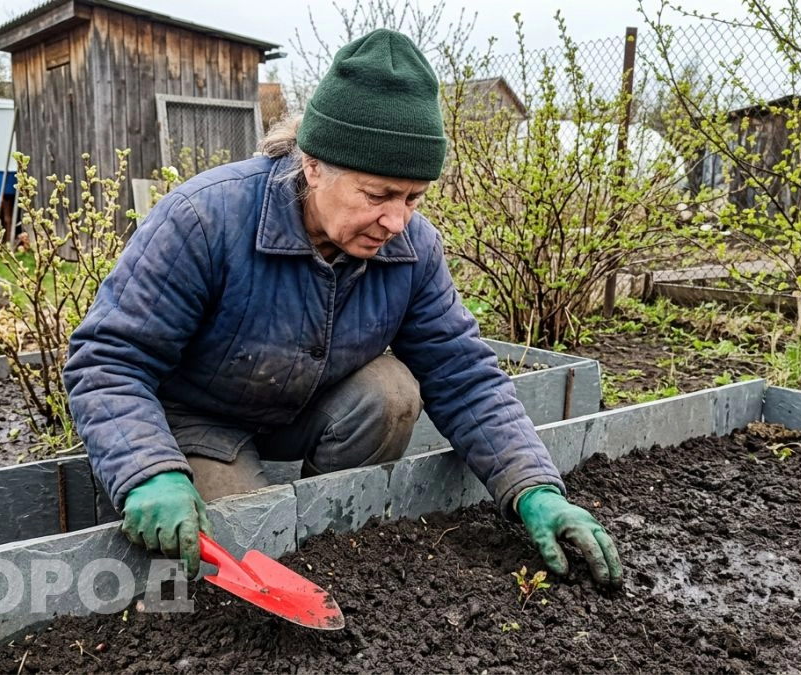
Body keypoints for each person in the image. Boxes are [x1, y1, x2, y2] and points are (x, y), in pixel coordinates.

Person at [62, 28, 623, 589]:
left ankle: (334, 538)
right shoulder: (204, 219)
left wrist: (535, 488)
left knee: (392, 392)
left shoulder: (411, 247)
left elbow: (463, 374)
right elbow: (108, 359)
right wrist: (149, 471)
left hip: (302, 409)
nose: (397, 221)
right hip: (199, 423)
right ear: (313, 167)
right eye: (377, 195)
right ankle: (245, 510)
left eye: (413, 198)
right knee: (247, 553)